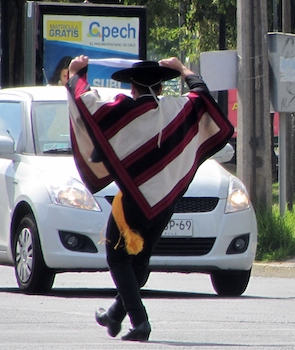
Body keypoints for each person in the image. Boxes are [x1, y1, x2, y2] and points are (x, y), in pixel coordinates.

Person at [66, 55, 233, 342]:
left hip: (132, 200)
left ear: (132, 87)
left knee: (117, 257)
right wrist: (182, 69)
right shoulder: (179, 108)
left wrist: (76, 74)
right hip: (166, 201)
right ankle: (115, 314)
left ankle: (139, 321)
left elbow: (85, 103)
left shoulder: (123, 109)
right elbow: (202, 93)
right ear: (161, 88)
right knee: (139, 259)